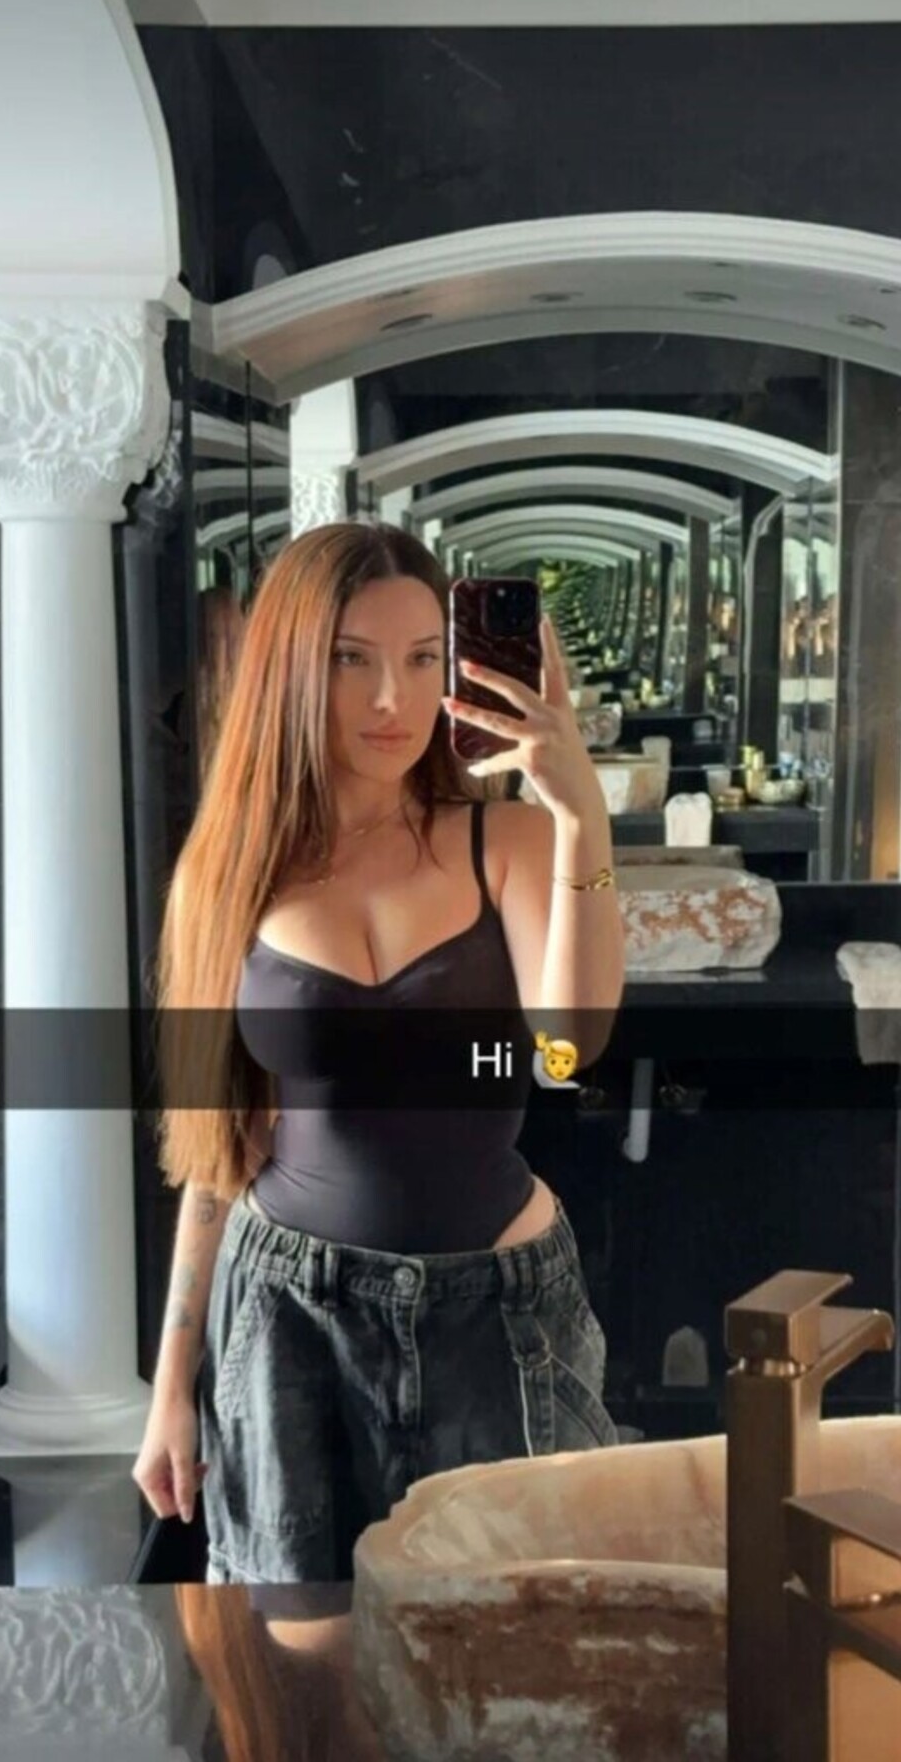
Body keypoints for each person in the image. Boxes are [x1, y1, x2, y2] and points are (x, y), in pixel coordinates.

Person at [132, 521, 627, 1585]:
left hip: (500, 1312)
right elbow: (222, 1145)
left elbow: (568, 1049)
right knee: (298, 1652)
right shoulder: (229, 874)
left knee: (511, 1644)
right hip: (289, 1320)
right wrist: (171, 1387)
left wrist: (580, 812)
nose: (392, 700)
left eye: (421, 659)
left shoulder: (509, 843)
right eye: (351, 660)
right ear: (290, 669)